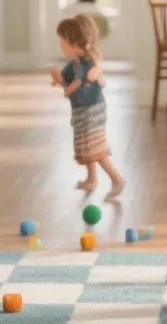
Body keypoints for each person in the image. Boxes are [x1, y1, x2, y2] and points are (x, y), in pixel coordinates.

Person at [50, 14, 125, 196]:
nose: (60, 45)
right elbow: (66, 76)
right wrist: (59, 80)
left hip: (91, 110)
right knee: (86, 143)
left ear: (75, 44)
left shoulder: (87, 64)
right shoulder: (74, 63)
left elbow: (76, 84)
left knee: (95, 148)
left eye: (63, 42)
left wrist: (65, 88)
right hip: (82, 109)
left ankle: (117, 179)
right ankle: (92, 179)